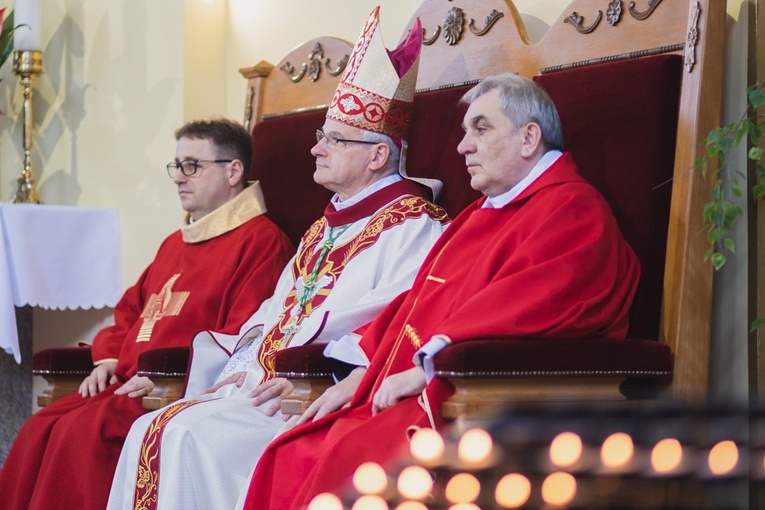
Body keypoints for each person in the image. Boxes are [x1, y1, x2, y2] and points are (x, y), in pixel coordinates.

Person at [241, 72, 642, 510]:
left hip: (476, 391)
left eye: (481, 128)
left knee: (345, 459)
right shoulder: (477, 216)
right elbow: (413, 306)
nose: (462, 146)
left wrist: (428, 367)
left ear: (529, 138)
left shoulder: (572, 211)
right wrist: (361, 371)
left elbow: (530, 304)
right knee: (289, 452)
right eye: (465, 131)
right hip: (411, 386)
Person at [107, 9, 449, 510]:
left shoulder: (414, 226)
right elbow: (273, 312)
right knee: (149, 429)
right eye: (320, 136)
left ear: (378, 156)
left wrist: (305, 371)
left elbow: (395, 322)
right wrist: (241, 368)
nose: (316, 149)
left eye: (333, 139)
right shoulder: (323, 227)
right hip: (268, 386)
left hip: (316, 390)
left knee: (189, 438)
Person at [0, 118, 294, 510]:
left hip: (172, 388)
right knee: (40, 427)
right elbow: (132, 311)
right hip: (126, 383)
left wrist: (169, 375)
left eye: (192, 165)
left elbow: (243, 335)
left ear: (234, 171)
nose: (179, 177)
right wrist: (108, 358)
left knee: (85, 434)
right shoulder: (176, 241)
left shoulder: (261, 241)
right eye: (177, 165)